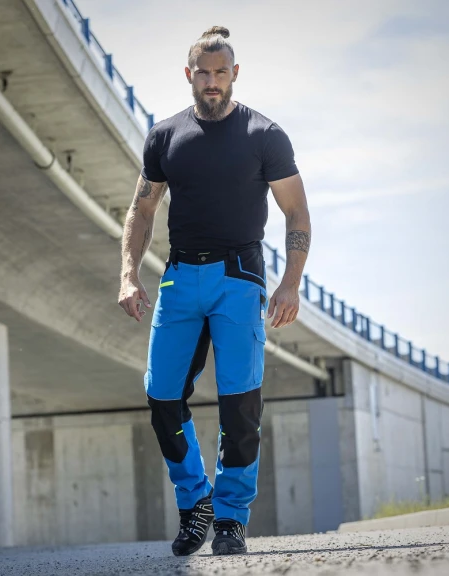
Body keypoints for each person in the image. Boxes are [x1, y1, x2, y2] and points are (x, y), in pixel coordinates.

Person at [118, 26, 311, 556]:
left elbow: (296, 211)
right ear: (189, 74)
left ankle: (230, 518)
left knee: (240, 403)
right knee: (162, 396)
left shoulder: (264, 135)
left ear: (234, 74)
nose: (211, 81)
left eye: (220, 72)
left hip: (239, 278)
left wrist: (290, 283)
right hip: (180, 277)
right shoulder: (165, 136)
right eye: (202, 72)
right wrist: (128, 273)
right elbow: (142, 209)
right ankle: (196, 501)